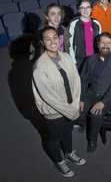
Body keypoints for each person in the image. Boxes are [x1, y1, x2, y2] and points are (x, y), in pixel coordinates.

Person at [32, 26, 85, 177]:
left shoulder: (66, 57)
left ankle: (68, 153)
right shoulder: (39, 66)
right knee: (55, 137)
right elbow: (48, 96)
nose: (52, 41)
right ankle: (58, 161)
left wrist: (74, 103)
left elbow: (76, 79)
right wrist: (71, 111)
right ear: (42, 43)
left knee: (68, 131)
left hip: (70, 104)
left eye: (55, 37)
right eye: (47, 39)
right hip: (54, 110)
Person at [79, 32, 111, 153]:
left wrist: (103, 102)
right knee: (77, 113)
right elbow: (83, 80)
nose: (106, 45)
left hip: (108, 96)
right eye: (103, 42)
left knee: (95, 115)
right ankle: (84, 123)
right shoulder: (90, 60)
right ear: (98, 45)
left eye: (108, 43)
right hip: (92, 93)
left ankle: (92, 139)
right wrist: (81, 99)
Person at [68, 0, 102, 69]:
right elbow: (69, 44)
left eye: (87, 7)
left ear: (91, 9)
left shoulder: (96, 23)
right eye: (82, 8)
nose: (85, 10)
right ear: (78, 10)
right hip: (79, 61)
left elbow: (100, 43)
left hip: (94, 59)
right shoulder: (74, 24)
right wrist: (73, 62)